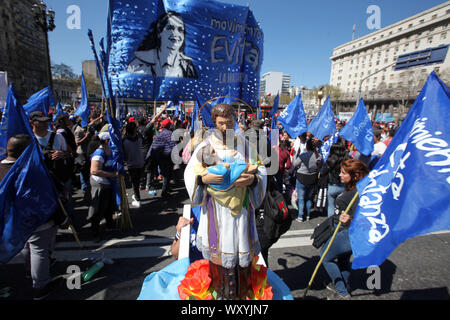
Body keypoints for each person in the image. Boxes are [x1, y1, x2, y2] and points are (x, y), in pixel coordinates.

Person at [184, 103, 267, 299]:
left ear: (235, 121)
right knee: (219, 251)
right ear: (214, 123)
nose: (225, 127)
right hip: (216, 210)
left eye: (229, 122)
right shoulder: (205, 147)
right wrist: (203, 180)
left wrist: (254, 180)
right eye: (221, 123)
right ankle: (220, 290)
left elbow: (261, 169)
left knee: (241, 252)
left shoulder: (246, 146)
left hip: (242, 209)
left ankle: (242, 291)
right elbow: (190, 173)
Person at [1, 134, 66, 300]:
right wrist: (59, 217)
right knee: (39, 251)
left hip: (13, 222)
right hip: (37, 219)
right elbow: (46, 196)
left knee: (26, 247)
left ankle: (30, 272)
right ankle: (41, 286)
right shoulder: (30, 171)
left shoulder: (2, 168)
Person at [322, 159, 369, 300]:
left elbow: (365, 221)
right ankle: (345, 285)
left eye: (343, 173)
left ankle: (342, 292)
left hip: (348, 233)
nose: (340, 175)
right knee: (343, 260)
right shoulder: (353, 189)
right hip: (346, 232)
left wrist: (349, 220)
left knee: (325, 258)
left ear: (355, 176)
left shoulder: (358, 195)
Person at [127, 11, 198, 78]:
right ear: (159, 32)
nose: (176, 34)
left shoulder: (188, 67)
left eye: (180, 30)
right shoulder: (138, 65)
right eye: (170, 28)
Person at [88, 132, 120, 241]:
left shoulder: (109, 150)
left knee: (107, 205)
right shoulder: (99, 152)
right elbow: (94, 170)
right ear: (107, 141)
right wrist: (112, 175)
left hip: (108, 182)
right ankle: (95, 231)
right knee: (98, 208)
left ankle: (109, 224)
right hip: (99, 183)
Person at [146, 118, 177, 199]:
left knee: (165, 173)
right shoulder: (170, 133)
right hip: (167, 157)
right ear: (169, 125)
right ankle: (164, 192)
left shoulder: (159, 134)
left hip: (158, 157)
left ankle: (167, 188)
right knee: (167, 174)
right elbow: (173, 145)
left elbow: (153, 145)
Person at [294, 139, 323, 221]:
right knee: (309, 198)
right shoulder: (319, 156)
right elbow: (320, 166)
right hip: (313, 178)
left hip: (302, 177)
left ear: (307, 146)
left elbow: (295, 164)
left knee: (301, 198)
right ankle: (308, 215)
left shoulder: (303, 155)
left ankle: (300, 216)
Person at [319, 141, 349, 217]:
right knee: (342, 207)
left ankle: (331, 223)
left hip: (332, 185)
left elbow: (323, 171)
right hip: (343, 186)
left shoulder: (329, 160)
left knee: (331, 206)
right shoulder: (347, 160)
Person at [123, 121, 145, 208]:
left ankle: (137, 199)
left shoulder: (124, 140)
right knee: (137, 181)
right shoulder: (139, 137)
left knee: (134, 183)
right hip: (140, 162)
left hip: (131, 164)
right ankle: (136, 196)